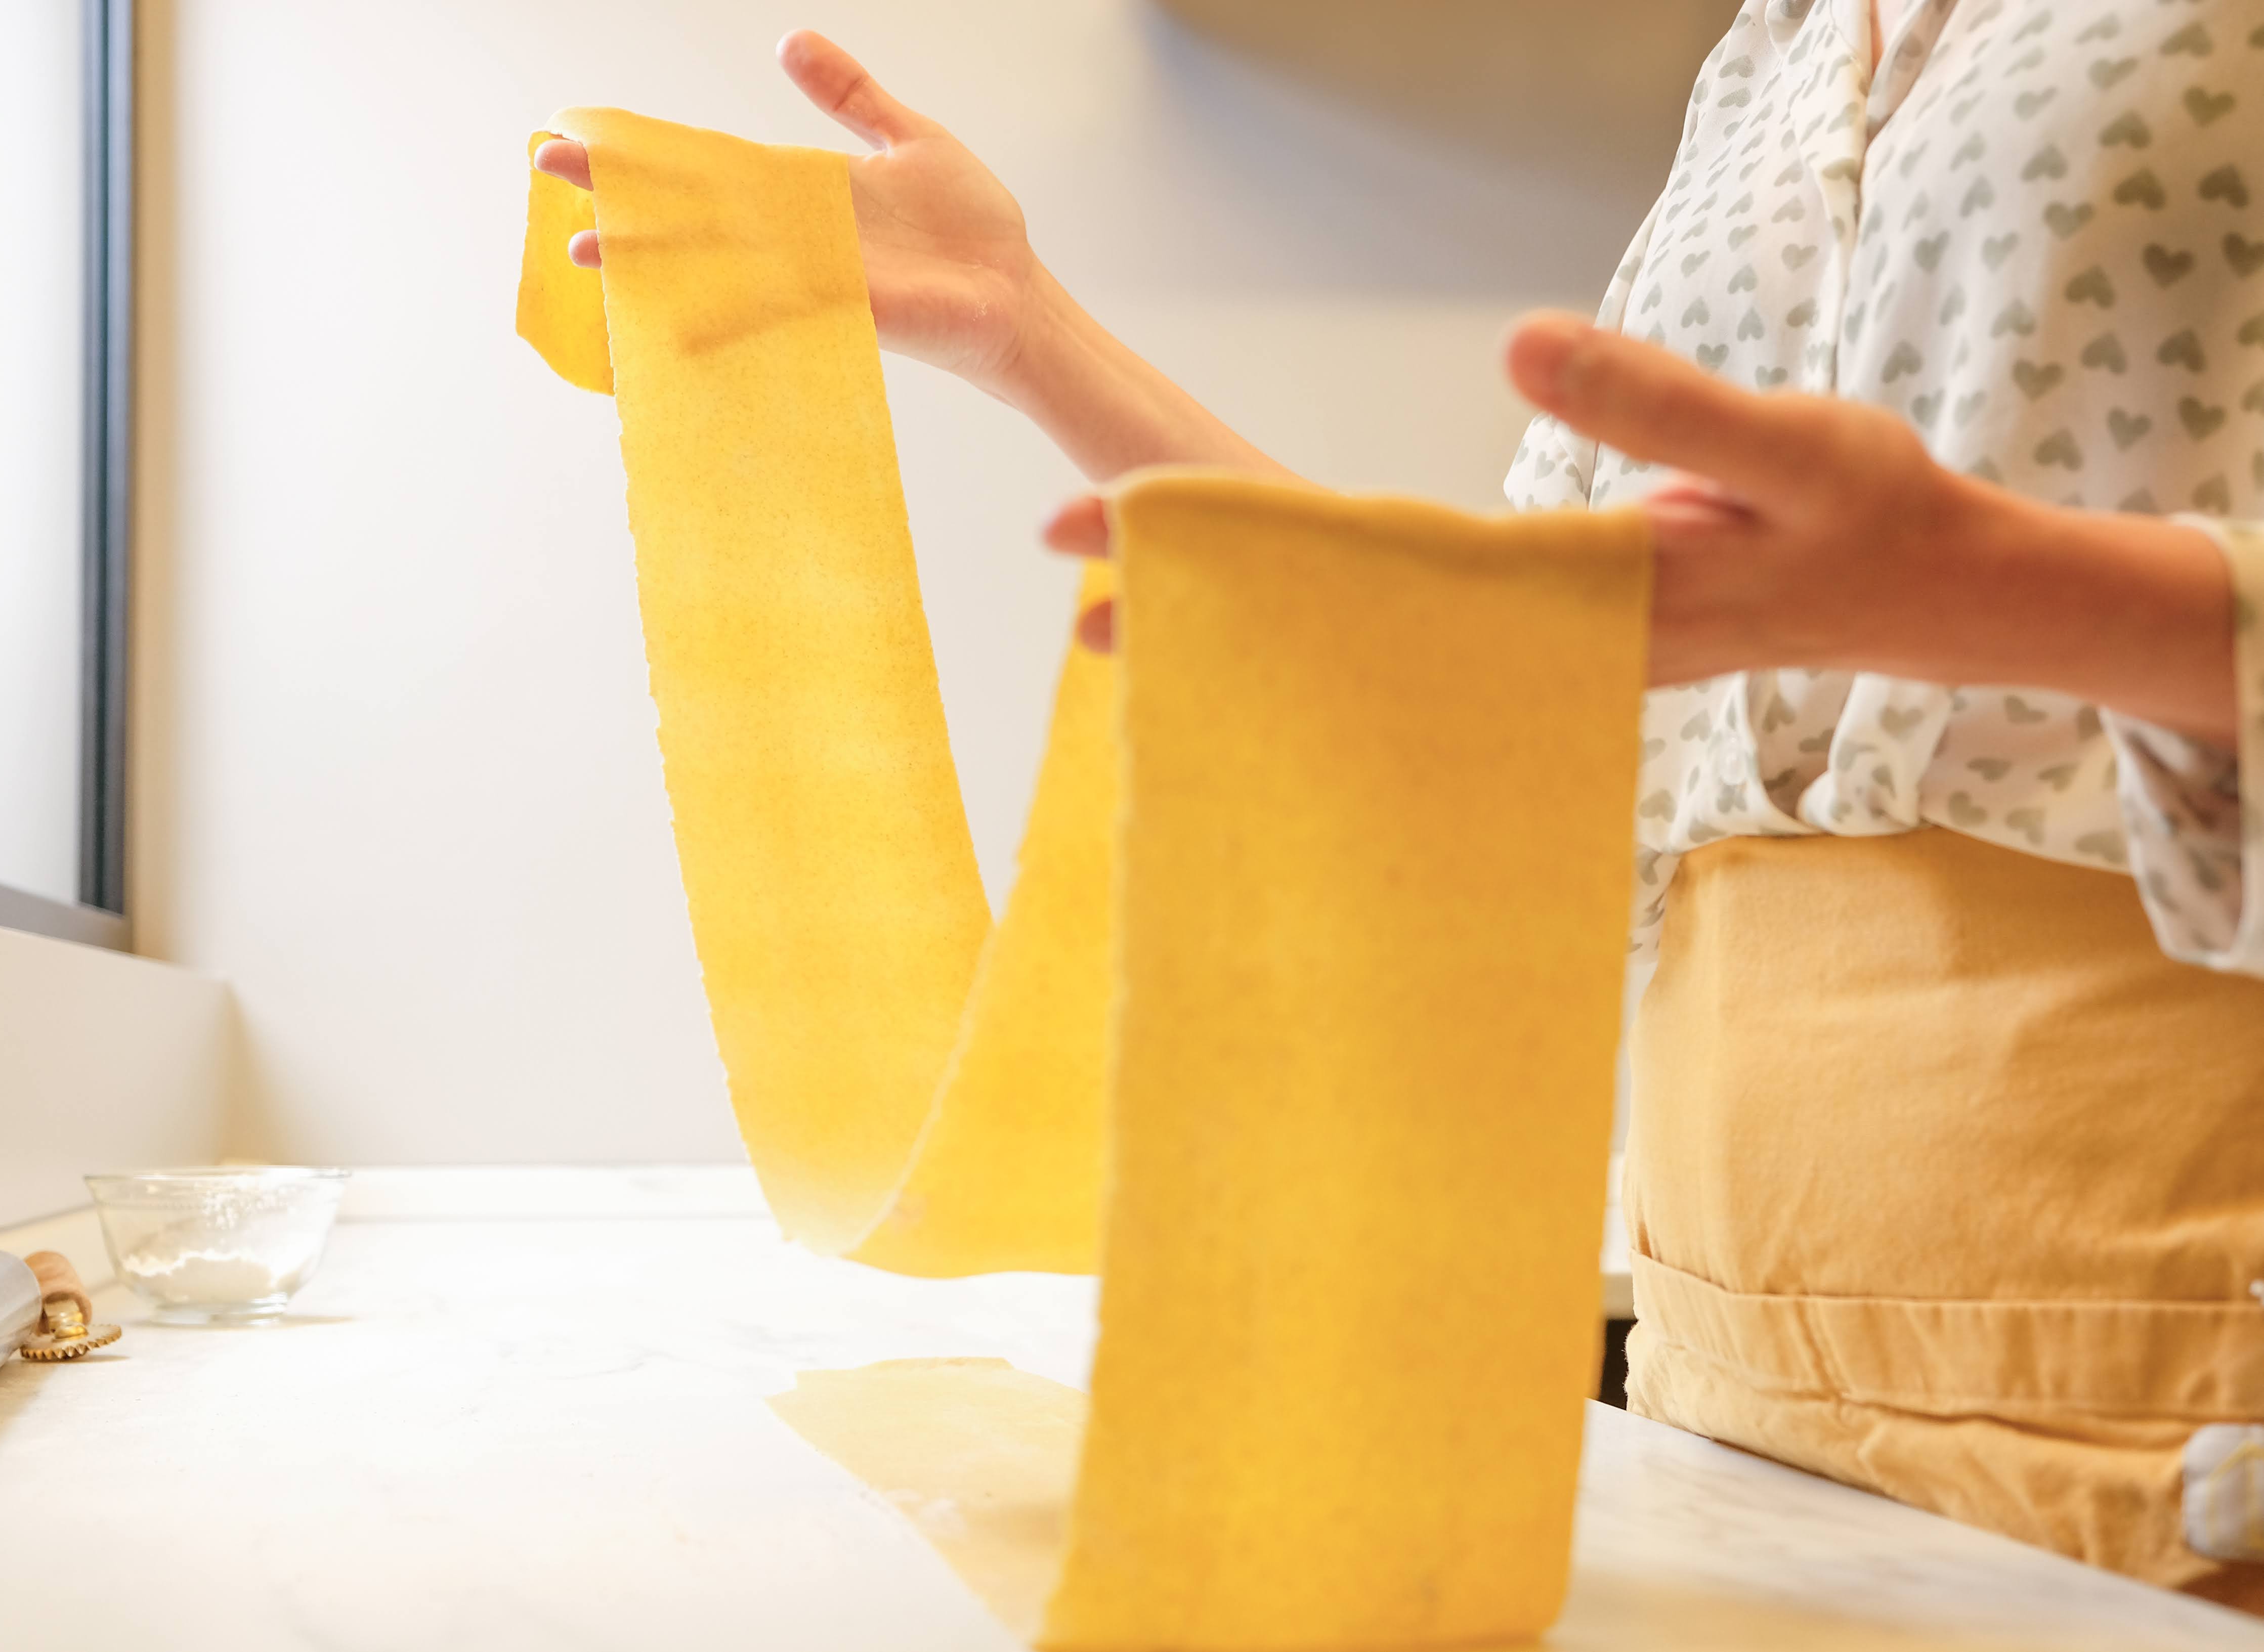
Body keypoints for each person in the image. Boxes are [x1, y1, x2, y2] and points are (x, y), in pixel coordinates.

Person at [536, 0, 2264, 1608]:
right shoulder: (1776, 51)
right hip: (1728, 1388)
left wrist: (1987, 592)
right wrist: (1022, 326)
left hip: (2172, 1364)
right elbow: (1499, 649)